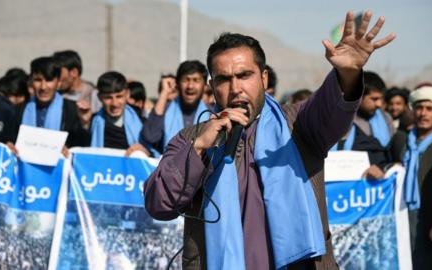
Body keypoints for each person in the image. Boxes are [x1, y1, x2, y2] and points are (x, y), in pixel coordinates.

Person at [144, 11, 395, 270]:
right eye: (224, 79)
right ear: (212, 85)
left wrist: (347, 76)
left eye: (244, 75)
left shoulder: (298, 124)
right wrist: (198, 149)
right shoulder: (191, 139)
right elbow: (159, 205)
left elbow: (330, 107)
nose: (235, 88)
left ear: (263, 78)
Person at [403, 86, 432, 270]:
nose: (423, 113)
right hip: (406, 216)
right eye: (419, 107)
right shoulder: (402, 141)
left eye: (430, 108)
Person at [331, 71, 395, 178]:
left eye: (381, 99)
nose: (379, 104)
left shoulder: (385, 118)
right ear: (360, 96)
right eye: (374, 99)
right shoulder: (342, 119)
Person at [21, 56, 90, 149]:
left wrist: (85, 124)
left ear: (58, 82)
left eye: (49, 80)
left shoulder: (73, 110)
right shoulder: (19, 110)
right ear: (31, 82)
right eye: (38, 80)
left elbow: (83, 148)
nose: (43, 87)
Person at [142, 61, 209, 153]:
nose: (190, 86)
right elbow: (150, 136)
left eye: (196, 80)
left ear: (205, 85)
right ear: (177, 84)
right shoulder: (166, 109)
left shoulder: (211, 113)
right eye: (185, 80)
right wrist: (164, 93)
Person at [90, 72, 151, 157]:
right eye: (108, 98)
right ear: (99, 97)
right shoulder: (91, 123)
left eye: (119, 96)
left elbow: (158, 156)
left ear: (127, 94)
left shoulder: (143, 122)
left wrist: (146, 153)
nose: (114, 104)